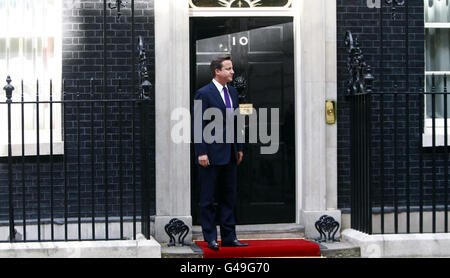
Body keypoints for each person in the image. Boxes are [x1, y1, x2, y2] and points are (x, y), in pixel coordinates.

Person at [193, 56, 248, 251]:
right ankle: (210, 238)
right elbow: (198, 125)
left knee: (228, 197)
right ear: (217, 71)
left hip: (231, 152)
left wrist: (239, 147)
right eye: (229, 69)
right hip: (210, 154)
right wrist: (201, 152)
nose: (233, 72)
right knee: (208, 198)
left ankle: (229, 237)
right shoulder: (203, 93)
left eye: (232, 68)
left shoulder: (232, 92)